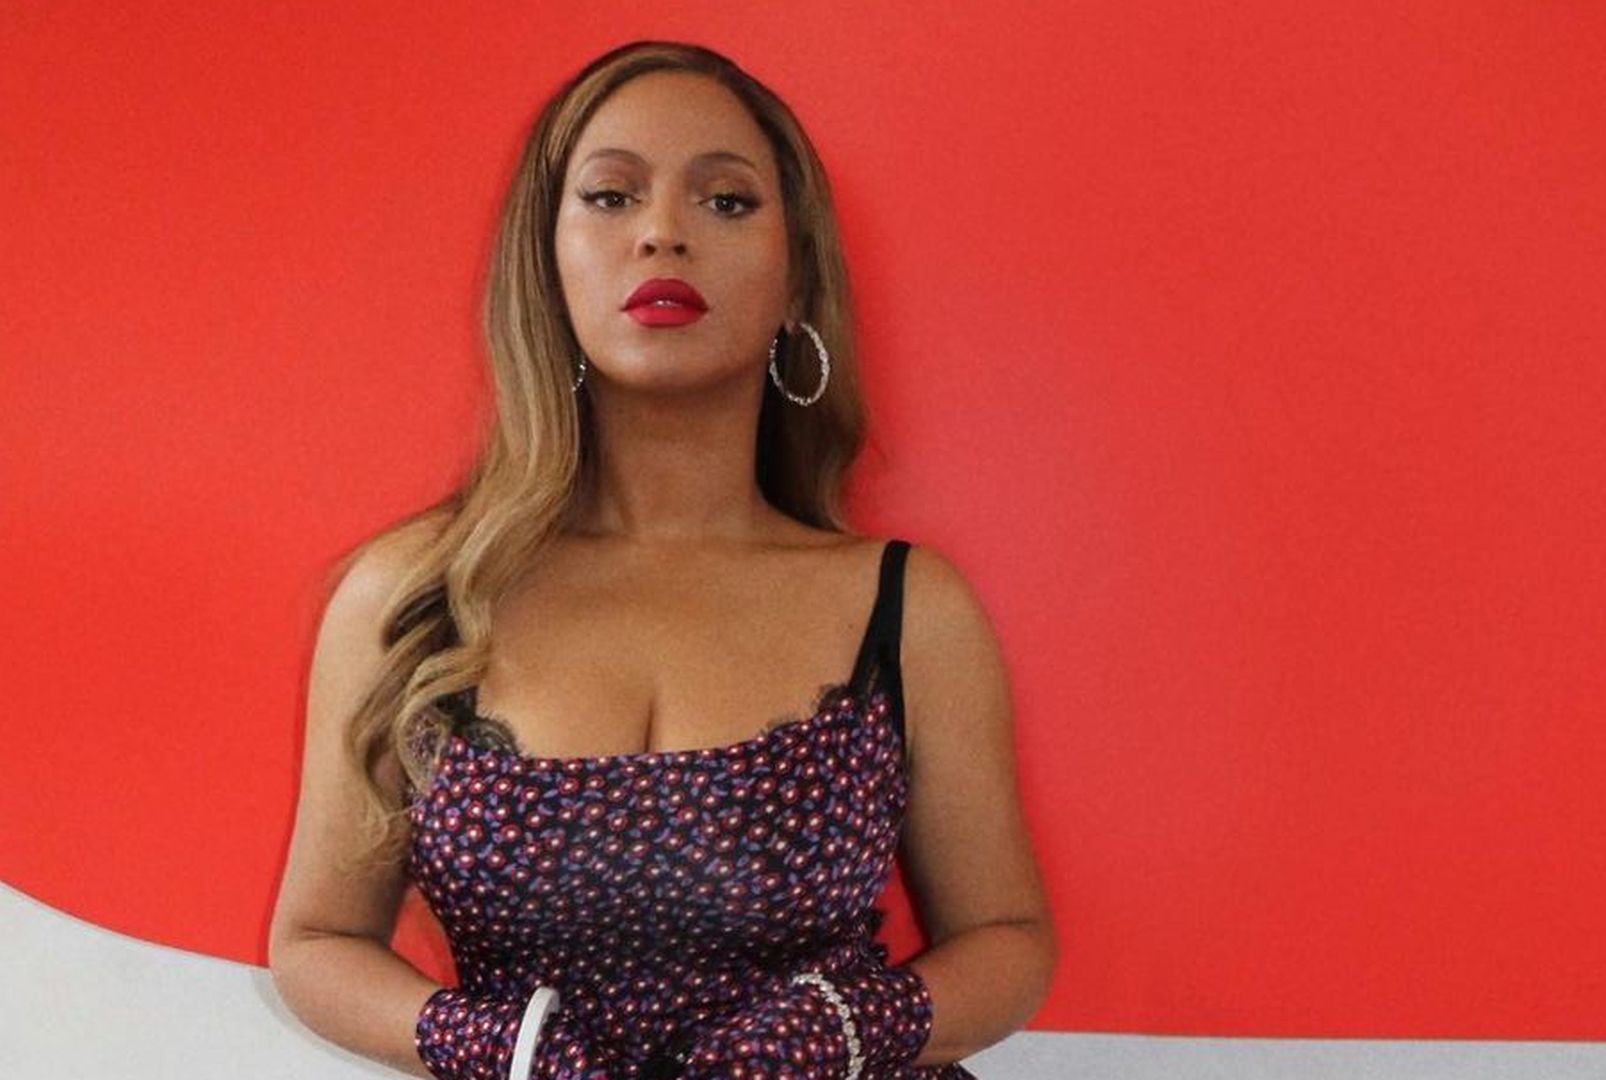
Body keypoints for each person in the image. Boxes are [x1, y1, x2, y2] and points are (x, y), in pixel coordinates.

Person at [267, 40, 1055, 1079]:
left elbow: (1007, 938)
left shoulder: (906, 607)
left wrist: (838, 1030)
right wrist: (500, 1049)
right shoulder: (417, 599)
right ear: (545, 262)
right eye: (611, 196)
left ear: (796, 275)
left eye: (726, 201)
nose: (662, 233)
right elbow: (316, 942)